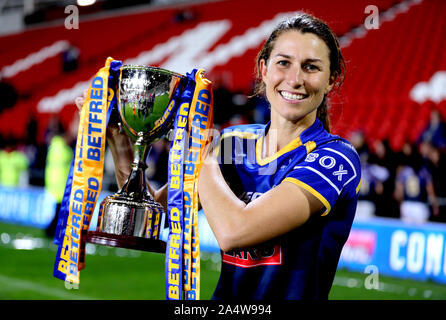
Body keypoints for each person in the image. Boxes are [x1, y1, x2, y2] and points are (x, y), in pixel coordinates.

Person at [75, 12, 361, 300]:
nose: (295, 79)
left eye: (311, 67)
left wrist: (201, 148)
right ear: (264, 69)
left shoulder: (335, 158)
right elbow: (156, 219)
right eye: (283, 63)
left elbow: (234, 231)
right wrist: (120, 139)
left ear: (331, 81)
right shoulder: (235, 143)